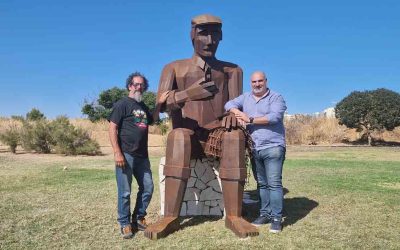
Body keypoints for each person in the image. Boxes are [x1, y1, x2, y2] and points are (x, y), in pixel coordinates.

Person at [144, 14, 259, 239]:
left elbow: (234, 106)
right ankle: (170, 216)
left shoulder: (232, 71)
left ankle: (234, 216)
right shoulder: (174, 68)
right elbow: (159, 108)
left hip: (218, 139)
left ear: (222, 36)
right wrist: (188, 94)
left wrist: (231, 116)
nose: (209, 40)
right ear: (192, 35)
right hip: (189, 139)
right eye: (203, 33)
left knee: (235, 136)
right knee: (177, 136)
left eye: (215, 34)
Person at [108, 71, 169, 239]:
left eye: (142, 85)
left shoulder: (142, 107)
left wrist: (159, 104)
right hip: (126, 154)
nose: (139, 87)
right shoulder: (122, 104)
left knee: (148, 188)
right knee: (125, 191)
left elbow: (153, 119)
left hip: (142, 156)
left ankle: (138, 218)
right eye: (136, 84)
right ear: (130, 86)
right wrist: (117, 152)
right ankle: (124, 223)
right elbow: (112, 127)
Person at [224, 71, 287, 233]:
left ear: (266, 81)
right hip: (254, 148)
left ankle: (276, 218)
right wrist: (237, 112)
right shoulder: (245, 97)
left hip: (273, 147)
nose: (257, 84)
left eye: (260, 81)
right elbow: (228, 104)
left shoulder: (276, 97)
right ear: (250, 83)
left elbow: (274, 118)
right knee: (262, 184)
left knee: (274, 184)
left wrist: (249, 119)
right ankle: (264, 213)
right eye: (254, 82)